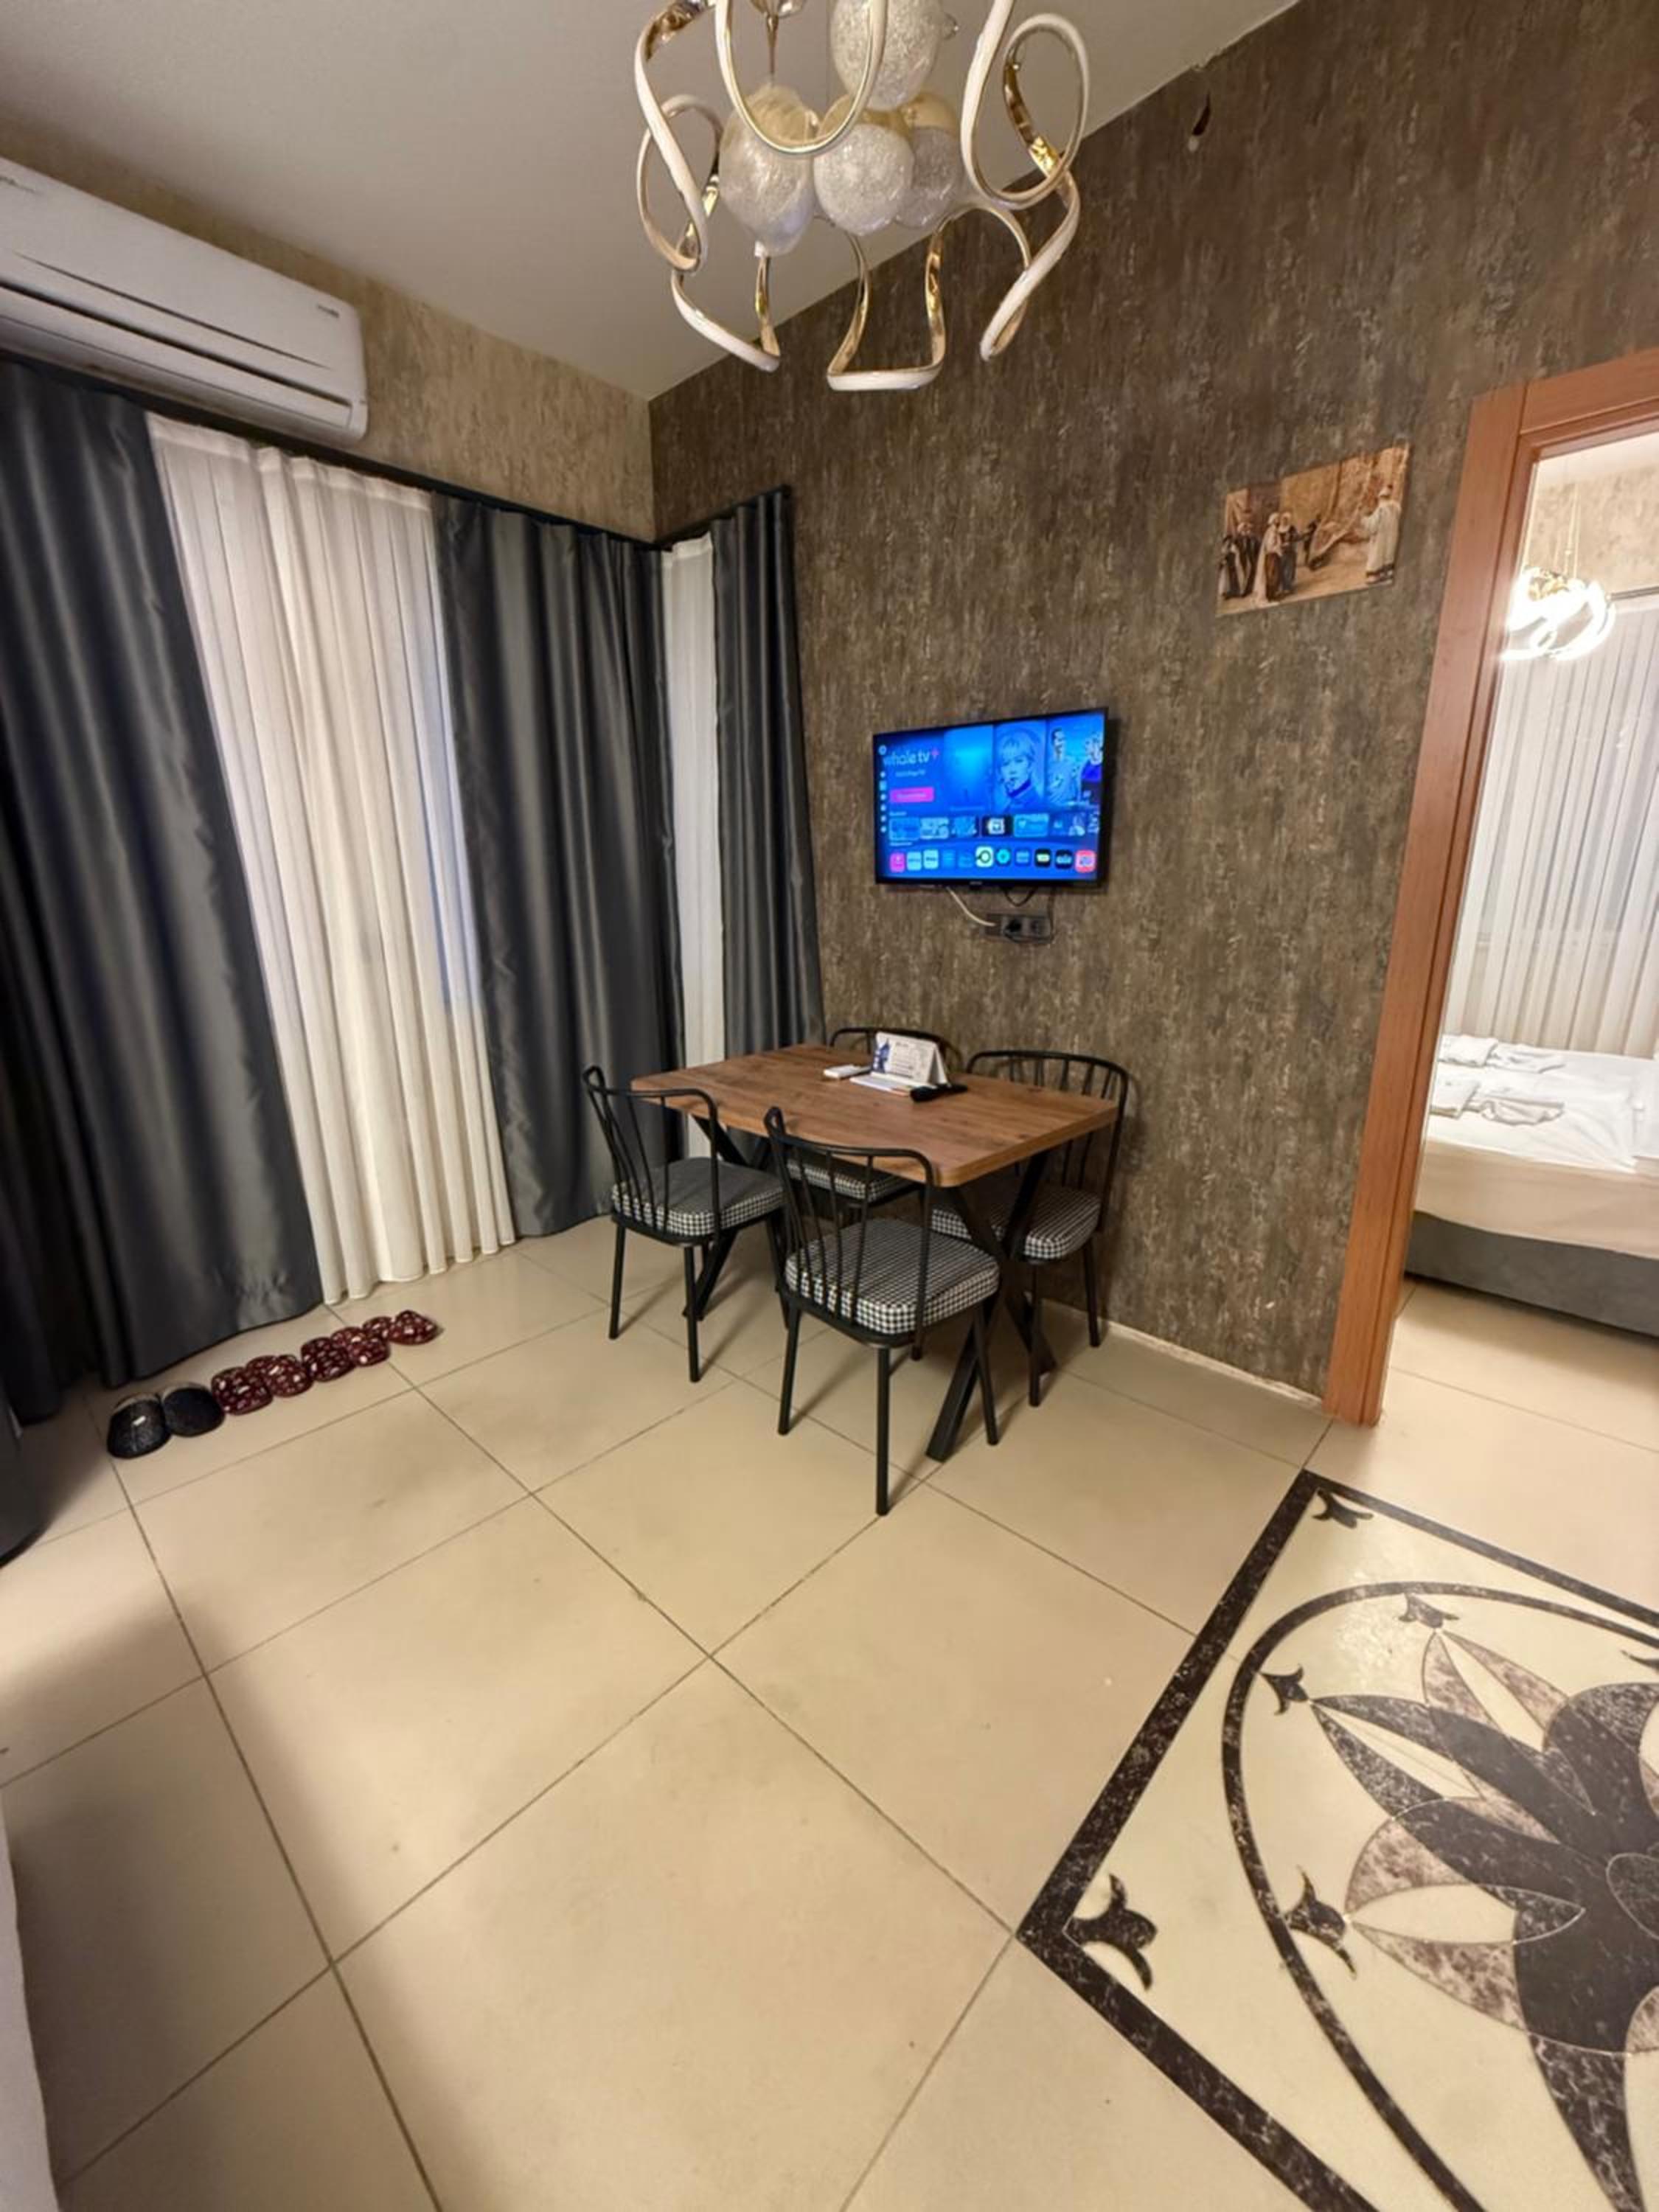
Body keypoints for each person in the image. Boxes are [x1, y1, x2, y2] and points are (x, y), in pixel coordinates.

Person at [1353, 482, 1403, 582]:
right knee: (1389, 554)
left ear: (1380, 497)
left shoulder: (1381, 510)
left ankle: (1375, 576)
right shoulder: (1397, 507)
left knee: (1377, 556)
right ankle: (1389, 572)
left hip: (1381, 540)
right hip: (1393, 537)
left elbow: (1372, 526)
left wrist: (1363, 518)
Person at [995, 726, 1043, 807]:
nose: (1012, 770)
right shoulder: (1005, 805)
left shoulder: (1037, 805)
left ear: (1030, 766)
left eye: (1019, 761)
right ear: (1000, 771)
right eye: (1006, 764)